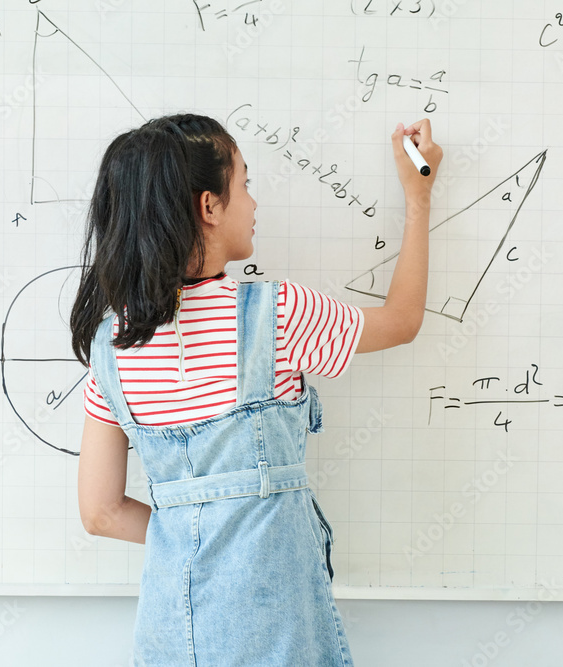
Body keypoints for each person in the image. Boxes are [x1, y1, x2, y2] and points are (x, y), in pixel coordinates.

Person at [70, 113, 442, 665]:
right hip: (275, 633)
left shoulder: (114, 345)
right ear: (209, 206)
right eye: (245, 183)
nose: (254, 203)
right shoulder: (277, 314)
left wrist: (193, 531)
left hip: (169, 635)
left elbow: (101, 513)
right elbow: (404, 320)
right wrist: (418, 197)